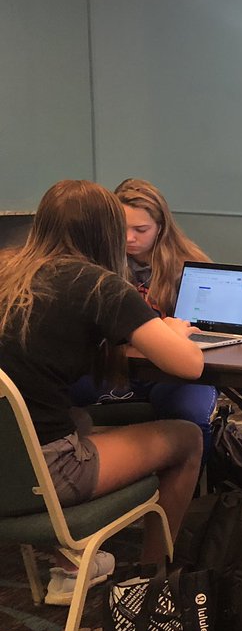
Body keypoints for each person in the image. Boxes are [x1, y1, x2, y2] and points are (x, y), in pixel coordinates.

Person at [0, 181, 204, 604]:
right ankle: (151, 580)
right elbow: (190, 364)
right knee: (187, 438)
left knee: (80, 419)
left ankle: (72, 562)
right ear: (107, 230)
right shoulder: (97, 285)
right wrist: (171, 330)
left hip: (9, 464)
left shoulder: (8, 271)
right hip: (47, 474)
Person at [69, 178, 219, 459]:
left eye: (141, 230)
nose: (129, 238)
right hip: (112, 367)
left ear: (161, 228)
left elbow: (202, 335)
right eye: (120, 229)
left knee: (187, 412)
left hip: (169, 371)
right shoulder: (93, 267)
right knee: (51, 401)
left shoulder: (189, 265)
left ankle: (200, 491)